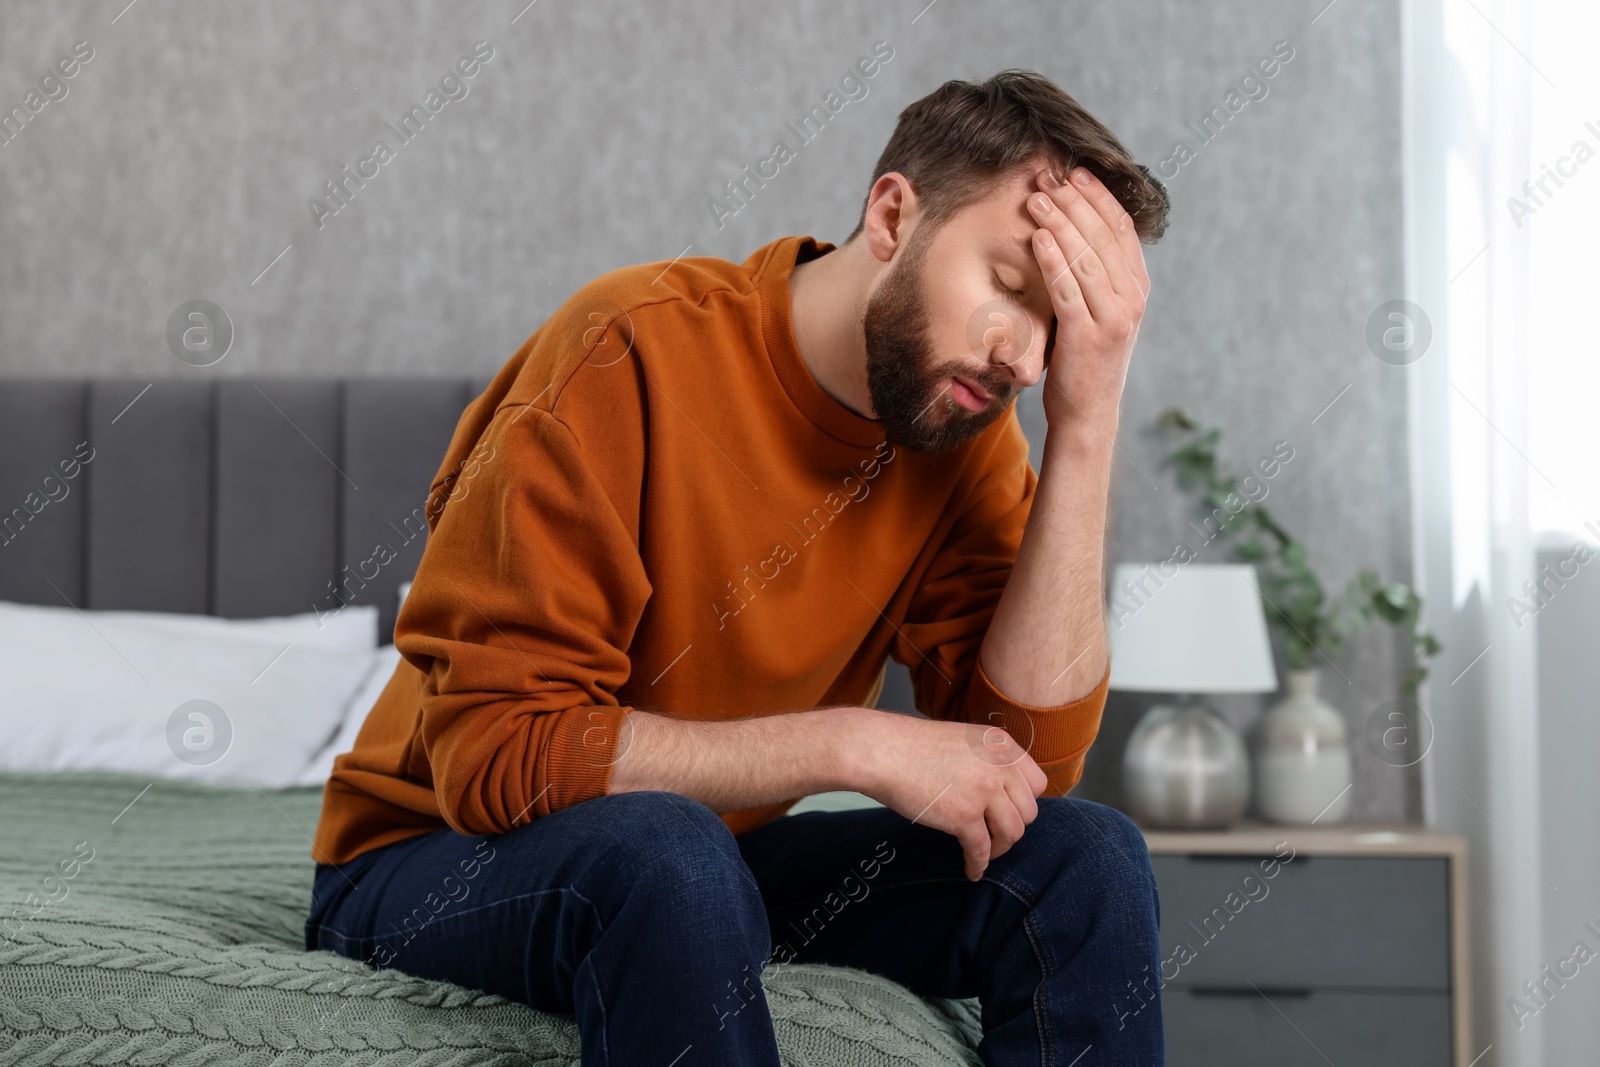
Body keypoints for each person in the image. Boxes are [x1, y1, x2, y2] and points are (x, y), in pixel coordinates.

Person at [305, 69, 1172, 1066]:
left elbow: (1021, 769)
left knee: (1088, 859)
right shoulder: (625, 351)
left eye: (1058, 332)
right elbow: (499, 756)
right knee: (670, 853)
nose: (1023, 356)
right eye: (1011, 288)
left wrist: (1087, 418)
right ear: (893, 214)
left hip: (709, 858)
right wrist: (849, 744)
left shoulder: (963, 429)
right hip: (428, 859)